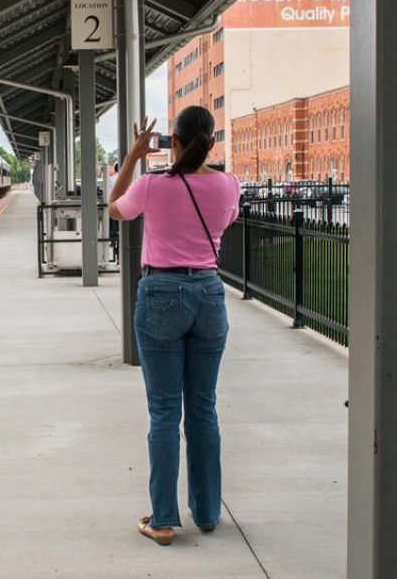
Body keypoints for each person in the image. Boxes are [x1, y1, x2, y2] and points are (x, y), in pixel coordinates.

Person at [108, 106, 241, 546]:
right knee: (203, 408)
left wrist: (133, 156)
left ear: (175, 142)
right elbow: (224, 220)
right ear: (211, 142)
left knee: (165, 412)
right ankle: (206, 513)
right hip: (209, 294)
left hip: (162, 293)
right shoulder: (227, 185)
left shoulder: (152, 185)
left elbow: (114, 209)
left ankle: (163, 520)